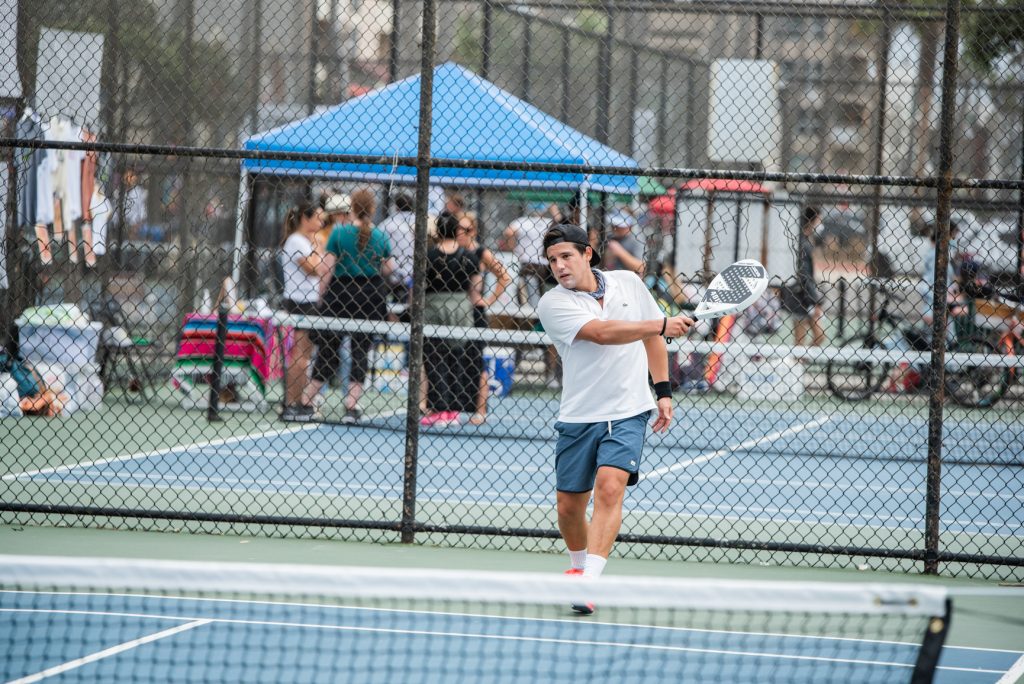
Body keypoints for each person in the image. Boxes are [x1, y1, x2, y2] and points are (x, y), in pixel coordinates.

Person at [536, 223, 693, 613]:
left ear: (587, 254)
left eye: (566, 256)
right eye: (553, 260)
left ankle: (589, 581)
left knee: (610, 488)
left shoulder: (628, 283)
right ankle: (577, 568)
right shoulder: (552, 304)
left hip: (628, 410)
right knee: (569, 508)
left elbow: (652, 340)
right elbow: (604, 333)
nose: (559, 266)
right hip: (579, 414)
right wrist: (659, 323)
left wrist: (663, 391)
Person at [302, 188, 393, 421]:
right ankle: (351, 406)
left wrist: (322, 296)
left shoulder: (339, 234)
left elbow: (327, 269)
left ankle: (307, 401)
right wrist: (372, 263)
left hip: (341, 292)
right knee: (360, 350)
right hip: (370, 294)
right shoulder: (381, 236)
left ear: (352, 208)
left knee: (328, 348)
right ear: (373, 210)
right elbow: (389, 268)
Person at [420, 211, 484, 426]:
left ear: (437, 231)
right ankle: (453, 410)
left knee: (434, 359)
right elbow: (476, 289)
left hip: (433, 308)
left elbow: (418, 288)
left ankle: (440, 409)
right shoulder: (469, 256)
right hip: (460, 308)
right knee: (456, 358)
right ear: (457, 231)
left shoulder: (428, 255)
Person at [456, 211, 512, 425]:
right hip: (454, 310)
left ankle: (480, 410)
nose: (462, 234)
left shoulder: (480, 252)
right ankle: (451, 406)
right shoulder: (451, 251)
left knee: (475, 360)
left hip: (474, 311)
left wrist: (489, 300)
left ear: (474, 231)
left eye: (467, 230)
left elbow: (504, 275)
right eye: (458, 230)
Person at [279, 201, 327, 421]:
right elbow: (315, 269)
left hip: (309, 301)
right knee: (300, 355)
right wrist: (317, 250)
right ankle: (290, 402)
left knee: (305, 356)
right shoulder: (297, 240)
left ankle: (297, 401)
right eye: (317, 217)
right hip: (300, 302)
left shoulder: (307, 241)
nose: (321, 222)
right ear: (305, 219)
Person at [793, 206, 825, 347]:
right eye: (818, 220)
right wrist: (815, 301)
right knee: (800, 340)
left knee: (820, 336)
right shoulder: (802, 243)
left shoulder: (805, 240)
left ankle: (800, 362)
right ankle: (797, 363)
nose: (820, 224)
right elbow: (804, 275)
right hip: (801, 297)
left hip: (806, 297)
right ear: (812, 221)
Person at [377, 192, 416, 299]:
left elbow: (377, 240)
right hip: (415, 272)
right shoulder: (420, 222)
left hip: (393, 273)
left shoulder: (388, 224)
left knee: (393, 308)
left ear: (396, 207)